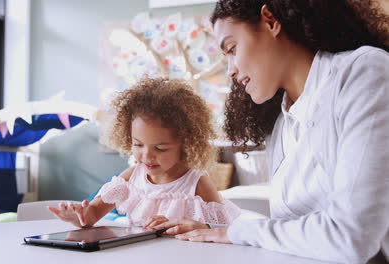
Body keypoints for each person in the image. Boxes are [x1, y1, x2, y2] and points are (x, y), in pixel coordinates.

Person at [150, 0, 389, 263]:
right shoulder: (283, 125)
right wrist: (216, 230)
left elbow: (352, 237)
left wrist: (239, 231)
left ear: (271, 21)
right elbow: (288, 230)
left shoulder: (364, 72)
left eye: (232, 48)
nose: (230, 70)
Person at [48, 77, 241, 228]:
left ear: (186, 143)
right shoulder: (132, 176)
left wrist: (195, 226)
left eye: (160, 148)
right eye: (138, 144)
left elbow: (222, 230)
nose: (147, 156)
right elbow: (93, 213)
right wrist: (79, 216)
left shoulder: (196, 183)